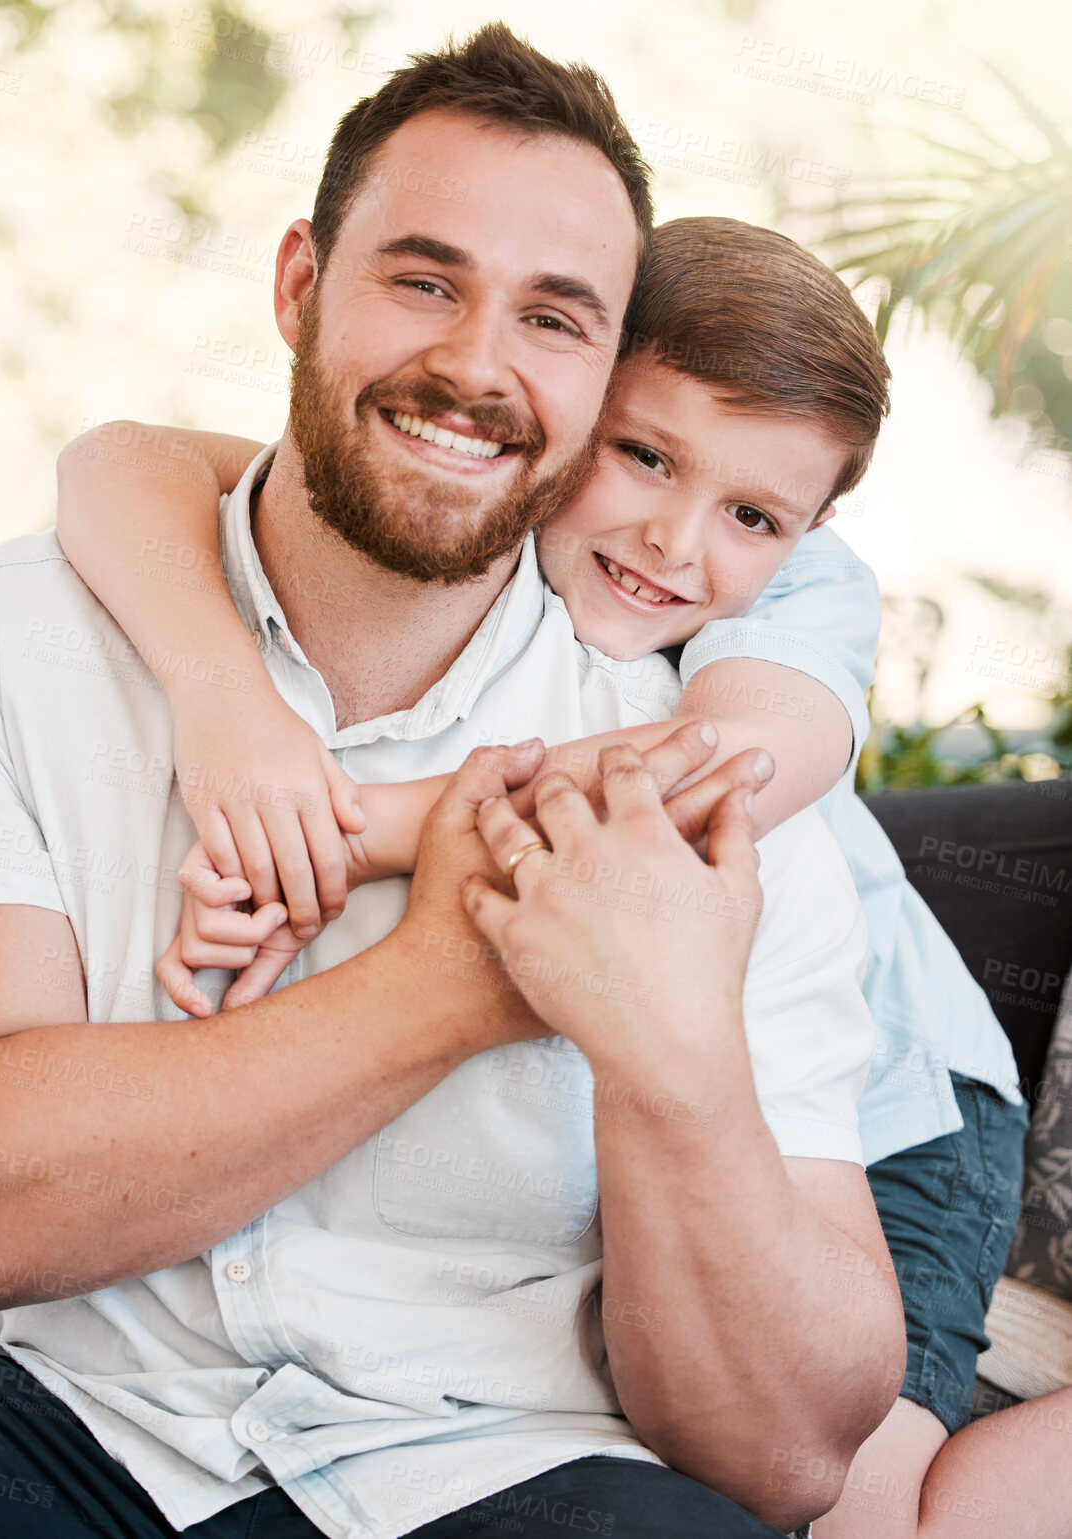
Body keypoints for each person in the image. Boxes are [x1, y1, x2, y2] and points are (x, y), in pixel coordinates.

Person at [0, 26, 901, 1539]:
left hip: (506, 1476)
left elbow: (789, 1457)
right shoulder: (1, 640)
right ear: (301, 283)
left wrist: (666, 1048)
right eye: (424, 281)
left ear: (603, 375)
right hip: (54, 1440)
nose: (476, 365)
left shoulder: (696, 779)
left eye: (555, 320)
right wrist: (454, 979)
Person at [58, 215, 1052, 1539]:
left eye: (750, 516)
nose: (676, 544)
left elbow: (718, 769)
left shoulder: (801, 586)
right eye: (640, 454)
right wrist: (223, 700)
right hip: (690, 1096)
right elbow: (116, 462)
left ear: (806, 529)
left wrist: (331, 827)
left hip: (895, 1106)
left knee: (855, 1516)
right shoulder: (473, 499)